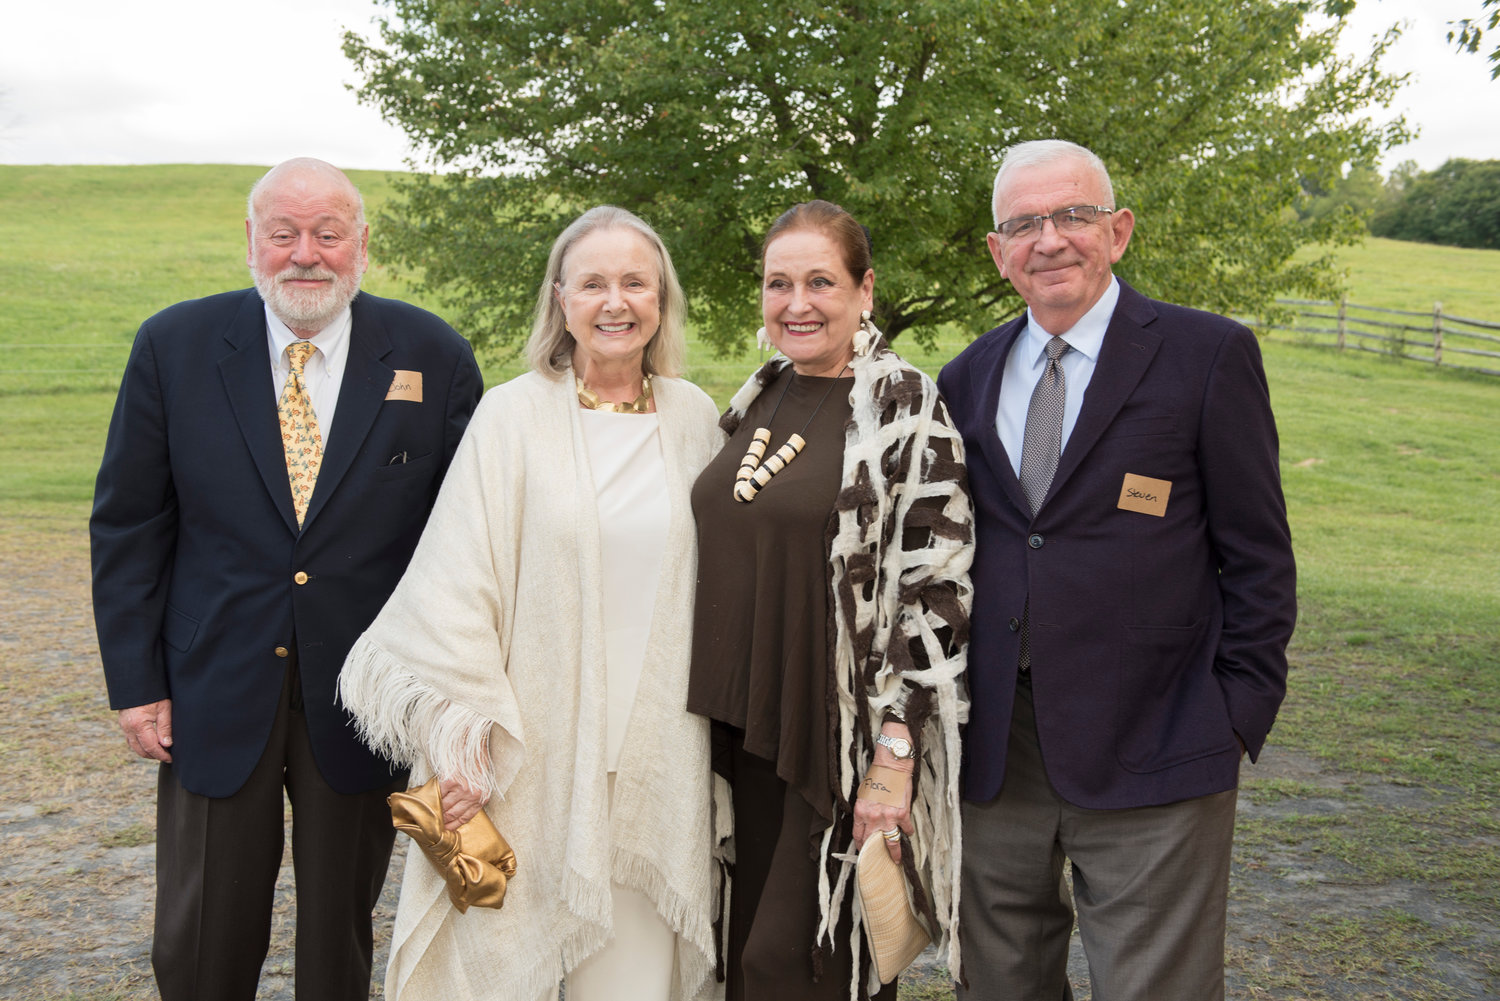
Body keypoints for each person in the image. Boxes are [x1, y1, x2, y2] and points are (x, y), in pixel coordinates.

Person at [90, 157, 483, 1001]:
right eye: (285, 233)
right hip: (212, 683)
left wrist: (453, 698)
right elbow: (130, 523)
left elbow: (467, 543)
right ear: (251, 243)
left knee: (340, 930)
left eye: (328, 233)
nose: (307, 253)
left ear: (362, 245)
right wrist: (136, 681)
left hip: (364, 693)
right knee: (201, 931)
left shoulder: (433, 355)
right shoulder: (174, 346)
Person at [938, 139, 1298, 1000]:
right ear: (998, 252)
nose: (1050, 239)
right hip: (999, 755)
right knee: (998, 984)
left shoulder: (1206, 356)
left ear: (1119, 230)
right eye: (1024, 224)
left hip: (1160, 741)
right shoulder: (966, 377)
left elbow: (1258, 556)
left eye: (1073, 215)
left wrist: (1236, 711)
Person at [337, 205, 726, 1001]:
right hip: (532, 757)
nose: (615, 302)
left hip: (657, 751)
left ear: (661, 299)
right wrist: (460, 743)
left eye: (635, 283)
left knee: (632, 982)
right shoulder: (511, 416)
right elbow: (456, 579)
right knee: (507, 962)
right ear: (560, 297)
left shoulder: (696, 418)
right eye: (592, 283)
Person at [688, 200, 974, 1001]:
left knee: (793, 963)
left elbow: (938, 593)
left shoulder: (904, 407)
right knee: (737, 957)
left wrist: (893, 755)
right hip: (738, 733)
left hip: (835, 740)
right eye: (780, 283)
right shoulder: (762, 392)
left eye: (821, 280)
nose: (798, 302)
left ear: (865, 289)